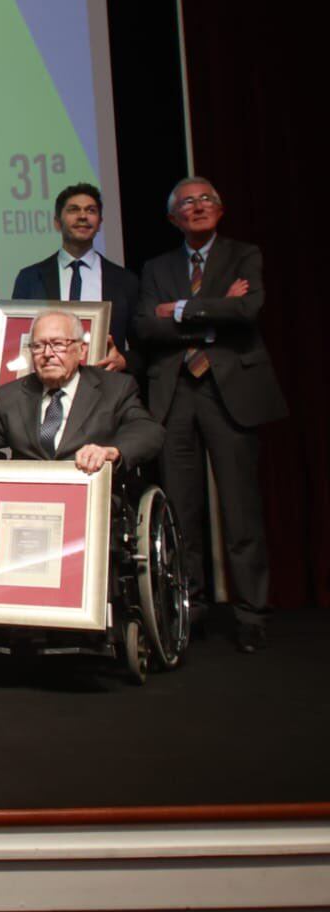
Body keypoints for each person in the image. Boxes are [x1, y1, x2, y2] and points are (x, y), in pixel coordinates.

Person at [134, 177, 287, 653]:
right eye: (187, 203)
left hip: (230, 392)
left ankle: (251, 613)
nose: (197, 207)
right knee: (183, 510)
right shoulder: (157, 266)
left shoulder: (244, 255)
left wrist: (179, 309)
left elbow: (248, 311)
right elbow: (144, 326)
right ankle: (189, 606)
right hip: (176, 393)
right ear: (173, 218)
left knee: (241, 511)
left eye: (206, 200)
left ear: (220, 210)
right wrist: (212, 313)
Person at [0, 310, 163, 474]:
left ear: (81, 350)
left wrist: (112, 452)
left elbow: (148, 430)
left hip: (91, 496)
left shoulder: (115, 388)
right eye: (38, 346)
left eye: (57, 344)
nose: (47, 354)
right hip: (27, 503)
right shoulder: (11, 395)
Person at [11, 183, 136, 374]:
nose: (83, 216)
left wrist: (124, 360)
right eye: (73, 210)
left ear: (100, 222)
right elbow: (16, 342)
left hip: (105, 389)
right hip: (46, 388)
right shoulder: (30, 278)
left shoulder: (125, 280)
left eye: (91, 210)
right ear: (57, 222)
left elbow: (144, 347)